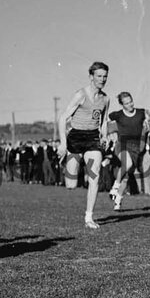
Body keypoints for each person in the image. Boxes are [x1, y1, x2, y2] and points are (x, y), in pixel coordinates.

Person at [57, 61, 110, 229]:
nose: (102, 79)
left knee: (95, 178)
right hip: (75, 138)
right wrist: (63, 144)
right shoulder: (81, 94)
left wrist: (105, 136)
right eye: (99, 76)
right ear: (91, 77)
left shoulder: (105, 99)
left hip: (93, 139)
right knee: (71, 185)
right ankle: (70, 163)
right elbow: (62, 118)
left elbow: (104, 121)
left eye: (105, 76)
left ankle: (89, 217)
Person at [107, 91, 149, 211]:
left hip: (135, 148)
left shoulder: (141, 112)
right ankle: (115, 187)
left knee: (126, 175)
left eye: (131, 101)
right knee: (127, 164)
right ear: (122, 105)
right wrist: (108, 134)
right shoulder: (118, 115)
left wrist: (148, 124)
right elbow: (105, 120)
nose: (130, 104)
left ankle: (118, 200)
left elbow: (148, 122)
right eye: (126, 103)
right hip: (122, 144)